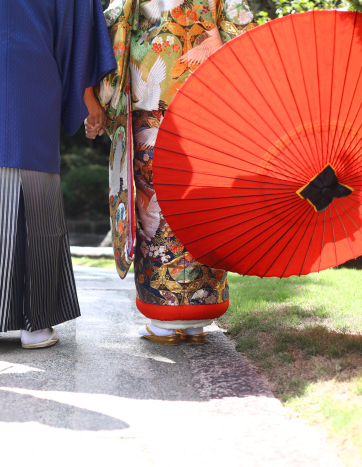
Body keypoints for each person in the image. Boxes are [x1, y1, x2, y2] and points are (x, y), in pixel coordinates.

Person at [0, 0, 116, 352]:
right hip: (30, 76)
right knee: (34, 189)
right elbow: (79, 26)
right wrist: (87, 96)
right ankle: (37, 326)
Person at [84, 0, 257, 345]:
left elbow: (111, 31)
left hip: (153, 115)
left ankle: (165, 320)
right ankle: (200, 313)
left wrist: (97, 103)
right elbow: (243, 36)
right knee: (201, 204)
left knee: (159, 208)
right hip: (207, 113)